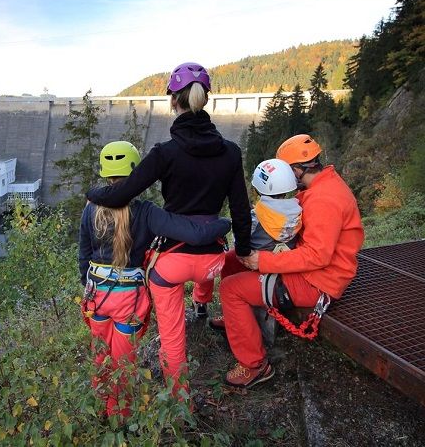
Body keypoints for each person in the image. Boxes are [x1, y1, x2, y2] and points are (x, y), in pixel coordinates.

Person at [86, 63, 252, 396]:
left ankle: (179, 401)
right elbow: (239, 210)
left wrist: (92, 193)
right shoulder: (231, 153)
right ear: (206, 99)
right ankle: (202, 302)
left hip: (173, 262)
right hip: (212, 261)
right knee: (210, 246)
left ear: (173, 101)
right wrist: (245, 252)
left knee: (173, 337)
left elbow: (120, 195)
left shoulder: (166, 153)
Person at [79, 140, 231, 417]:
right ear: (137, 171)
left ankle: (99, 408)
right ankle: (119, 416)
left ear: (104, 171)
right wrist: (223, 223)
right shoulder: (146, 211)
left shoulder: (91, 209)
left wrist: (88, 287)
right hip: (129, 299)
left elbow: (84, 254)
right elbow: (193, 234)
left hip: (96, 295)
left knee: (100, 354)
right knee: (124, 362)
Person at [211, 134, 364, 388]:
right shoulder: (320, 185)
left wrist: (263, 260)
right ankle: (237, 322)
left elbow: (317, 256)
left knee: (230, 289)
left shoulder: (324, 200)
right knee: (230, 261)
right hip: (311, 269)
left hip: (317, 281)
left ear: (297, 170)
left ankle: (255, 365)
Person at [208, 158, 301, 330]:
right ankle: (234, 315)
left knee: (230, 272)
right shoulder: (297, 209)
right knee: (229, 259)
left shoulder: (257, 215)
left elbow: (241, 241)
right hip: (284, 259)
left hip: (261, 262)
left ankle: (239, 327)